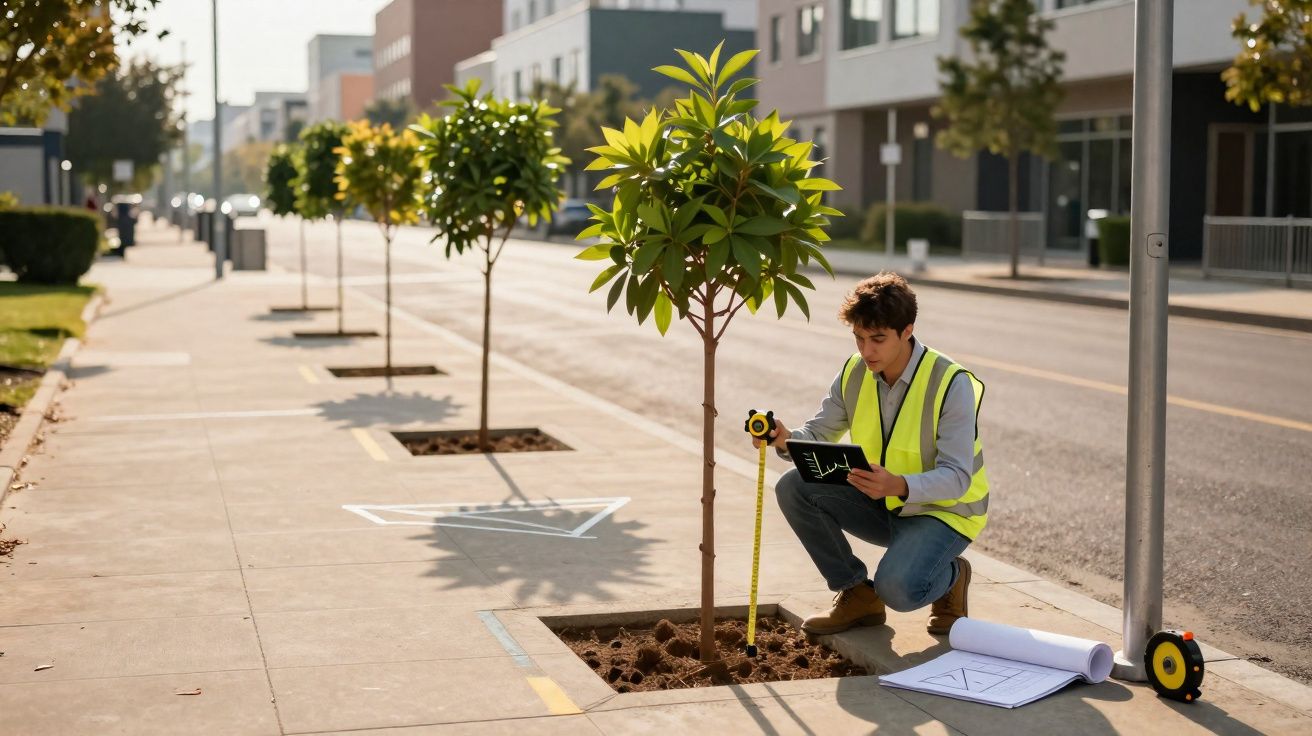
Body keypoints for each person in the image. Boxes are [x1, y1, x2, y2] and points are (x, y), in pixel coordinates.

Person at [752, 271, 989, 636]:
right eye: (859, 338)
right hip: (882, 499)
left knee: (898, 589)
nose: (866, 351)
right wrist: (784, 439)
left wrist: (898, 485)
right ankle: (857, 593)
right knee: (793, 486)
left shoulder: (951, 383)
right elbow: (818, 433)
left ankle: (953, 576)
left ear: (907, 331)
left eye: (878, 339)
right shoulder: (854, 371)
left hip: (942, 513)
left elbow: (958, 477)